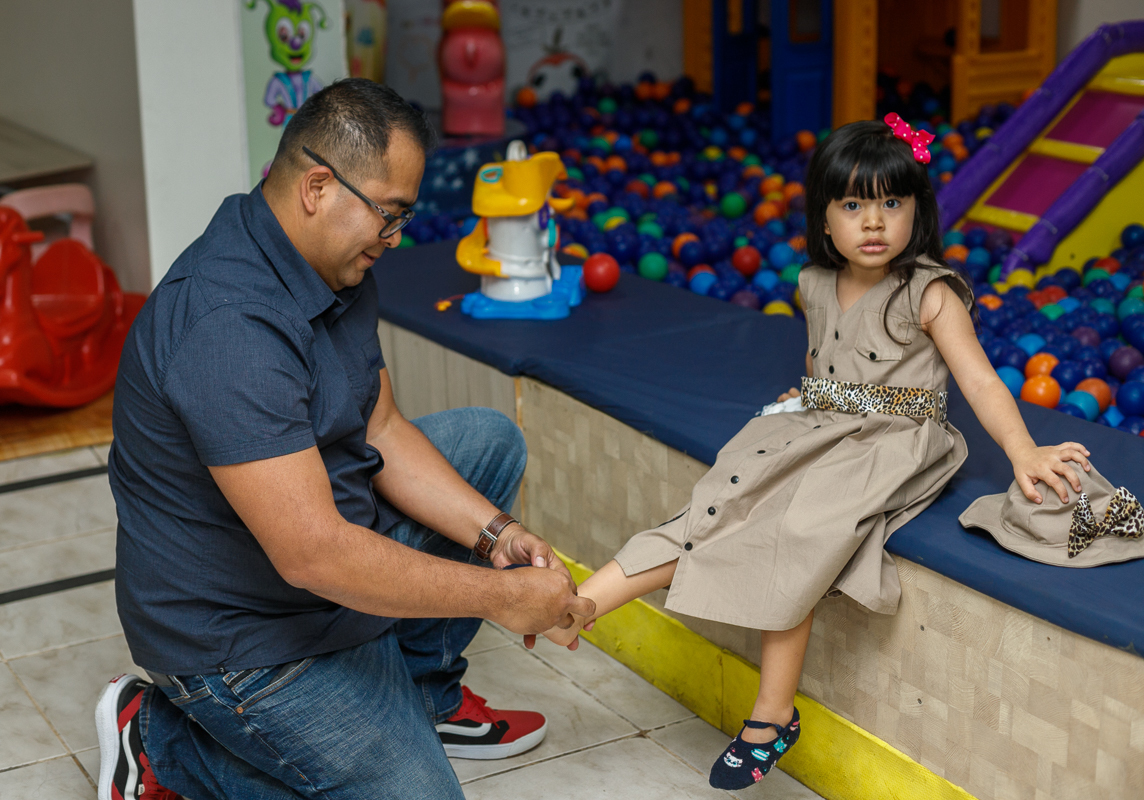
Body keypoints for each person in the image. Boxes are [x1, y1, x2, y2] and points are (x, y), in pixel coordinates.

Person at [539, 116, 1092, 790]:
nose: (873, 222)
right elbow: (822, 359)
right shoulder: (815, 283)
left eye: (891, 203)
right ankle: (581, 607)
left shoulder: (929, 292)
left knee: (799, 533)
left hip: (893, 441)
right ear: (824, 219)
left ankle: (773, 715)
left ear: (917, 212)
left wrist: (1023, 451)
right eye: (853, 205)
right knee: (716, 505)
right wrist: (810, 394)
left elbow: (978, 381)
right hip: (823, 422)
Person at [93, 79, 594, 800]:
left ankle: (421, 699)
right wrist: (499, 596)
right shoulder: (227, 327)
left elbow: (381, 427)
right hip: (242, 635)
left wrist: (497, 536)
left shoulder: (331, 263)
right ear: (318, 187)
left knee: (487, 441)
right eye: (389, 215)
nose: (395, 239)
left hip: (319, 554)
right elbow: (313, 554)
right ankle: (160, 741)